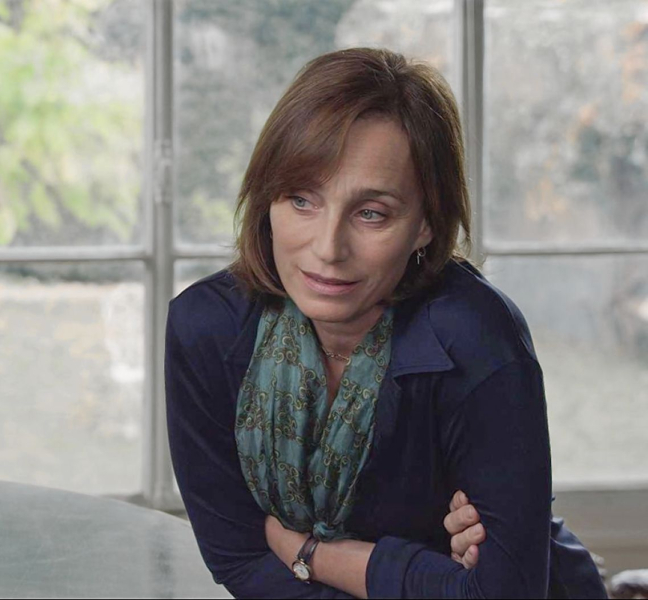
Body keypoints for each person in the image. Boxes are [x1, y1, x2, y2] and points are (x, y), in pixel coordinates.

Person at [165, 47, 607, 599]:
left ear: (425, 223)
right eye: (301, 200)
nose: (328, 248)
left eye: (371, 213)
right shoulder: (207, 328)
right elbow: (240, 558)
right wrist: (431, 573)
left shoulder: (475, 336)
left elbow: (503, 592)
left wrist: (312, 553)